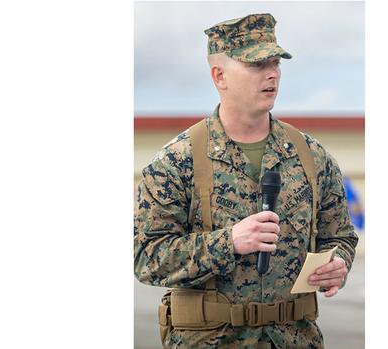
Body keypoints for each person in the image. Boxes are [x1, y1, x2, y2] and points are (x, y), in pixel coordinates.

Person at [134, 13, 358, 349]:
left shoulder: (313, 157)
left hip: (294, 340)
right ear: (219, 75)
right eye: (256, 65)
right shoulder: (176, 162)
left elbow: (340, 236)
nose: (272, 74)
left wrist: (337, 262)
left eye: (275, 63)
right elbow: (146, 258)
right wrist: (229, 242)